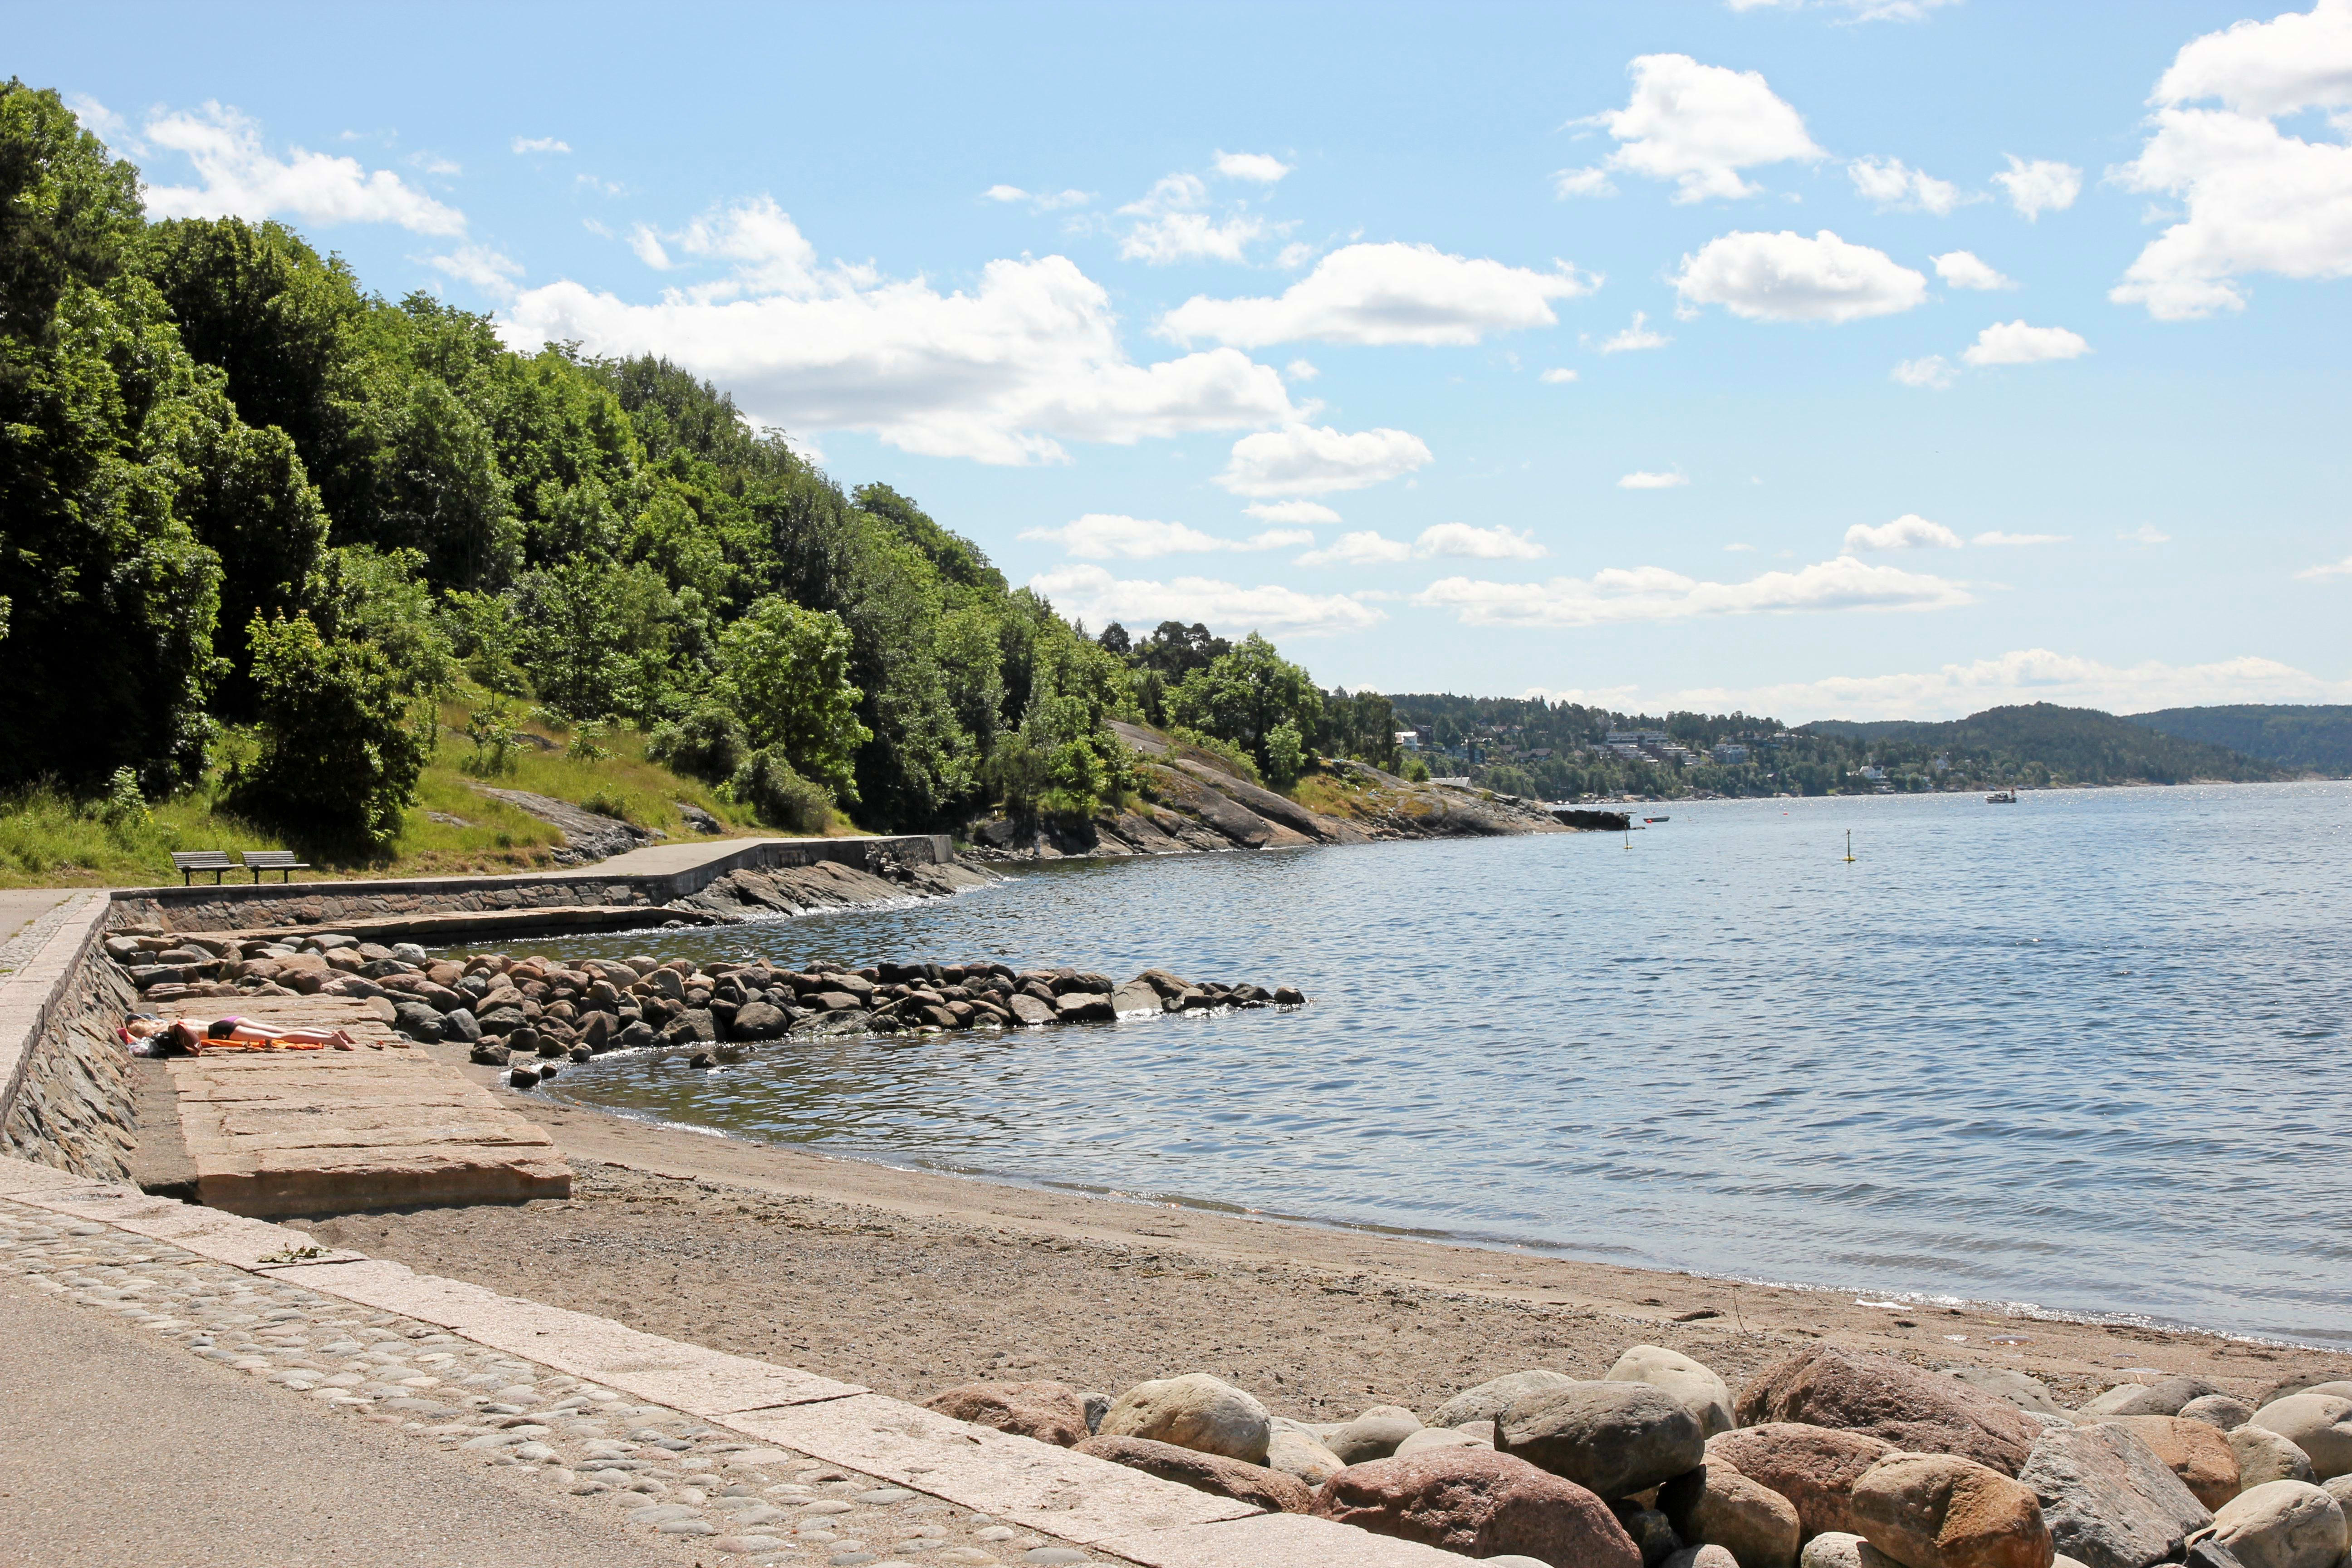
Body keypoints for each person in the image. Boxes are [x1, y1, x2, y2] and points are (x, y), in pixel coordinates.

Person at [122, 1016, 360, 1054]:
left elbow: (137, 1043)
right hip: (231, 1020)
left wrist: (130, 1036)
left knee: (284, 1037)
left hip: (225, 1031)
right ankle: (331, 1033)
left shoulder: (168, 1032)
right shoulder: (167, 1022)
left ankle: (331, 1040)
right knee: (281, 1031)